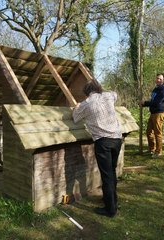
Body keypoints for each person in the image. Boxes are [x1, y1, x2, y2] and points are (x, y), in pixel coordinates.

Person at [72, 81, 122, 218]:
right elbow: (115, 94)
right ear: (98, 88)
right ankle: (111, 200)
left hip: (103, 142)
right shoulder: (108, 96)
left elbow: (75, 118)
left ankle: (110, 210)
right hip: (117, 139)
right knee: (111, 172)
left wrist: (76, 108)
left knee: (106, 176)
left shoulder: (86, 104)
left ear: (86, 92)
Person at [141, 73, 164, 158]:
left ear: (163, 80)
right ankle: (151, 149)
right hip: (153, 113)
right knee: (149, 132)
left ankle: (158, 152)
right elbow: (153, 100)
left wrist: (145, 103)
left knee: (157, 133)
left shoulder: (163, 90)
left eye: (160, 79)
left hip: (159, 113)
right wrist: (145, 103)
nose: (158, 80)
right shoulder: (156, 89)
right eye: (157, 78)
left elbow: (156, 102)